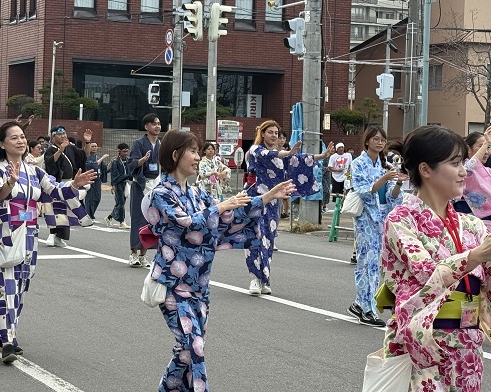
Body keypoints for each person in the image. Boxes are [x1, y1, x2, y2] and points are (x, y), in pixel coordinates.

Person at [147, 129, 296, 392]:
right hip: (172, 285)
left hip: (199, 285)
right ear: (176, 155)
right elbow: (186, 222)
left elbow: (228, 215)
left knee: (188, 350)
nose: (198, 157)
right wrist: (219, 208)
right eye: (193, 151)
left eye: (198, 151)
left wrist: (266, 197)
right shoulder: (161, 193)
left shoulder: (197, 194)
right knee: (193, 346)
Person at [381, 125, 491, 391]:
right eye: (455, 163)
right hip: (424, 344)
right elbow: (426, 272)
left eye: (463, 163)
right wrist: (475, 256)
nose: (464, 171)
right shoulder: (401, 220)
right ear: (425, 169)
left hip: (468, 345)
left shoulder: (473, 225)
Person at [0, 121, 96, 363]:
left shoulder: (34, 171)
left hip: (29, 234)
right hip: (4, 234)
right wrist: (9, 184)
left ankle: (7, 333)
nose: (21, 141)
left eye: (22, 137)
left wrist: (74, 184)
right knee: (4, 286)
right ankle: (8, 341)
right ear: (2, 144)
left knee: (20, 287)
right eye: (14, 138)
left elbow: (54, 191)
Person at [244, 120, 332, 295]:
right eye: (270, 132)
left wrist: (322, 156)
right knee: (255, 235)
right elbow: (269, 154)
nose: (274, 135)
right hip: (255, 198)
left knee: (269, 238)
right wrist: (287, 153)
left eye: (276, 133)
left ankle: (264, 278)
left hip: (273, 201)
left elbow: (299, 159)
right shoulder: (255, 150)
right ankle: (254, 278)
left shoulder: (281, 156)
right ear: (262, 134)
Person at [346, 125, 406, 326]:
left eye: (382, 140)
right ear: (367, 141)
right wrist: (384, 178)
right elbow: (364, 190)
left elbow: (392, 197)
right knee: (366, 263)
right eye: (376, 139)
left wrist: (398, 183)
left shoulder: (385, 165)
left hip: (381, 219)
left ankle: (360, 304)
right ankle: (367, 309)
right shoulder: (358, 163)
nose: (380, 143)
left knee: (374, 264)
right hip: (366, 219)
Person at [43, 125, 91, 247]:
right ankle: (52, 234)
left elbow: (84, 155)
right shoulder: (50, 150)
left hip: (69, 183)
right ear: (53, 137)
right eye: (60, 134)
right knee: (55, 209)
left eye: (64, 133)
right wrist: (60, 150)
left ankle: (59, 237)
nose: (63, 136)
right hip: (56, 184)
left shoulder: (70, 148)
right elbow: (50, 162)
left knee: (65, 211)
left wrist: (87, 142)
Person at [127, 113, 161, 268]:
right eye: (154, 124)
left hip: (156, 184)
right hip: (141, 185)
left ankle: (143, 255)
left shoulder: (160, 144)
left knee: (151, 219)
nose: (157, 126)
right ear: (146, 126)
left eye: (158, 123)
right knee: (137, 218)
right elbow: (131, 163)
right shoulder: (139, 143)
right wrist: (142, 160)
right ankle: (133, 253)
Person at [460, 129, 491, 220]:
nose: (486, 152)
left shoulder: (488, 171)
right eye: (481, 146)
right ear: (468, 149)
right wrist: (486, 143)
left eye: (488, 147)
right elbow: (469, 168)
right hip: (466, 215)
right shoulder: (461, 168)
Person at [105, 143, 131, 229]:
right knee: (121, 202)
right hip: (118, 183)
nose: (126, 153)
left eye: (127, 151)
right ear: (119, 151)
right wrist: (113, 185)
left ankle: (110, 217)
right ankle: (121, 222)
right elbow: (114, 174)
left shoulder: (128, 160)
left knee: (120, 203)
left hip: (125, 183)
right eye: (124, 151)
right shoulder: (115, 161)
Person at [84, 142, 108, 219]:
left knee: (97, 198)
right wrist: (102, 158)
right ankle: (88, 215)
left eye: (95, 146)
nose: (94, 148)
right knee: (90, 198)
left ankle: (91, 214)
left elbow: (104, 168)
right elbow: (92, 165)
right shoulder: (87, 157)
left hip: (98, 180)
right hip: (90, 179)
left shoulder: (97, 157)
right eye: (92, 146)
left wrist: (111, 163)